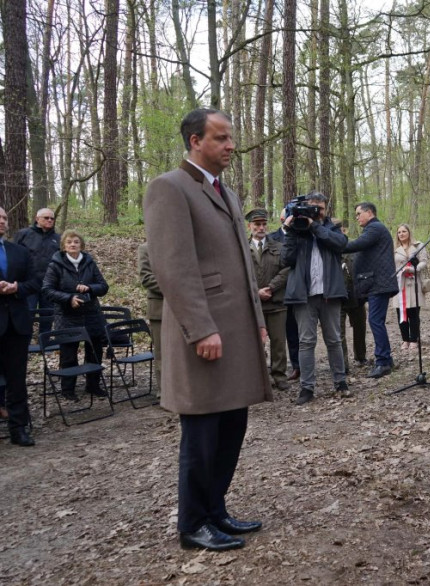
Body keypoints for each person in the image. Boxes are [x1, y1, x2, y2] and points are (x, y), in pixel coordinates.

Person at [144, 108, 272, 552]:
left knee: (232, 425)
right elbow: (173, 268)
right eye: (221, 138)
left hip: (235, 332)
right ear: (195, 141)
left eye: (230, 138)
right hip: (203, 337)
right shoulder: (170, 188)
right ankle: (193, 523)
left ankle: (216, 510)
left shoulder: (227, 193)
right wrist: (200, 330)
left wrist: (257, 323)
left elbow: (241, 268)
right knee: (201, 434)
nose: (230, 146)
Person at [282, 192, 349, 403]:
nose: (316, 212)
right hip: (304, 295)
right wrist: (290, 231)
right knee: (306, 342)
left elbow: (340, 244)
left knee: (334, 340)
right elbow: (286, 259)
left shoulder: (331, 228)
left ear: (325, 209)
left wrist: (315, 226)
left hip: (330, 293)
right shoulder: (296, 231)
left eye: (320, 208)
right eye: (312, 207)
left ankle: (340, 382)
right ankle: (307, 388)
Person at [42, 229, 110, 401]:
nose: (73, 244)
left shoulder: (89, 262)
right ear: (64, 246)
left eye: (76, 242)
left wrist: (90, 288)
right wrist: (68, 298)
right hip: (67, 316)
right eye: (69, 242)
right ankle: (68, 389)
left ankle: (93, 385)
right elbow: (47, 290)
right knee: (68, 354)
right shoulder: (55, 265)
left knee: (94, 351)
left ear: (81, 245)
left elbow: (103, 286)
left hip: (91, 314)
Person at [344, 202, 399, 378]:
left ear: (369, 212)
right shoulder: (374, 229)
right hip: (376, 284)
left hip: (379, 285)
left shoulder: (374, 228)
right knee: (376, 321)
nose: (357, 217)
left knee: (375, 321)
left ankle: (383, 361)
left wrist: (336, 243)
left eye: (359, 213)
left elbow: (355, 245)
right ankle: (386, 359)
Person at [0, 206, 40, 446]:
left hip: (16, 325)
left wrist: (17, 288)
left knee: (16, 381)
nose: (3, 222)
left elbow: (35, 281)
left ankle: (18, 429)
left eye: (4, 217)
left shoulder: (19, 251)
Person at [246, 208, 291, 392]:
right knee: (255, 344)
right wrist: (255, 292)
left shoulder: (278, 247)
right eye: (257, 224)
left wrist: (271, 288)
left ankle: (279, 376)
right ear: (250, 226)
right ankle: (258, 378)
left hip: (276, 303)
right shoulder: (241, 249)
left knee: (279, 343)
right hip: (253, 305)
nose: (261, 227)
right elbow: (238, 274)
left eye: (264, 224)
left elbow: (287, 269)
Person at [14, 207, 61, 328]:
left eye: (52, 218)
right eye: (46, 218)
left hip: (49, 284)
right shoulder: (23, 234)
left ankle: (45, 343)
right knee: (27, 313)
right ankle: (24, 343)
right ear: (37, 219)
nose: (50, 220)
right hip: (28, 282)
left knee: (48, 315)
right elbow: (14, 256)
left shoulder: (58, 238)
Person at [268, 208, 300, 381]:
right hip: (279, 293)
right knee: (282, 334)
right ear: (282, 218)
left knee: (297, 331)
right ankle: (284, 368)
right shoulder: (272, 238)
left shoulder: (301, 234)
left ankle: (299, 365)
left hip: (297, 290)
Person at [393, 224, 427, 351]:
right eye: (399, 232)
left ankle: (414, 339)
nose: (401, 234)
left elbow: (424, 261)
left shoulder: (418, 246)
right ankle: (405, 339)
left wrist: (414, 269)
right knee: (401, 313)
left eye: (404, 231)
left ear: (409, 232)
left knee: (413, 313)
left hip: (414, 282)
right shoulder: (394, 249)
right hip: (399, 284)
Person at [137, 242, 164, 397]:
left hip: (182, 308)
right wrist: (175, 289)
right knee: (162, 354)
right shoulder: (146, 248)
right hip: (159, 309)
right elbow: (146, 278)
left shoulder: (178, 245)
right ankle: (165, 393)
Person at [340, 250, 368, 370]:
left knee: (360, 327)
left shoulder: (355, 251)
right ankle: (343, 364)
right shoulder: (328, 251)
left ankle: (361, 356)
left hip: (356, 296)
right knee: (339, 332)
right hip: (337, 298)